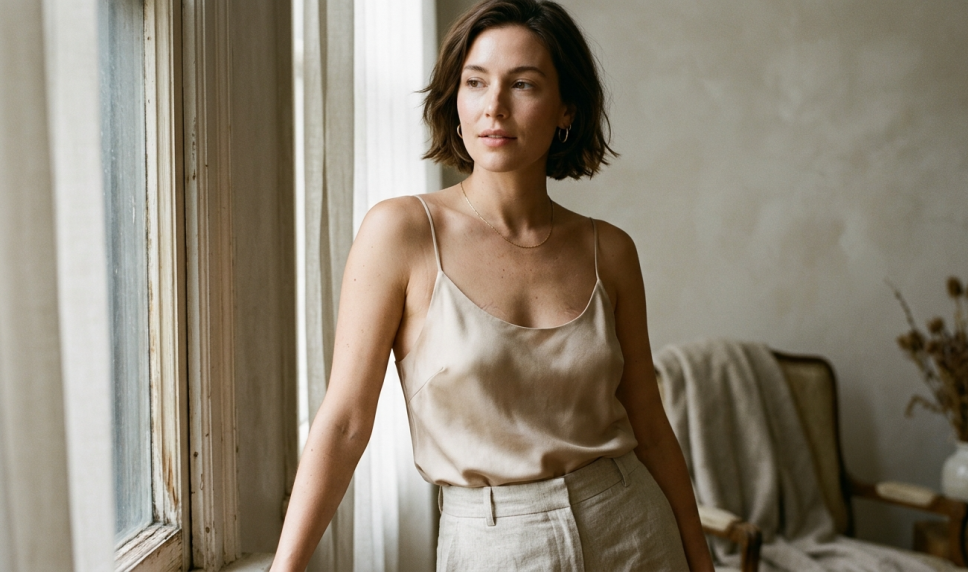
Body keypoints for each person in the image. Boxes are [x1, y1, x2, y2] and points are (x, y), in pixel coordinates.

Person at [271, 0, 714, 570]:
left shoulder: (611, 250)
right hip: (493, 543)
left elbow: (650, 425)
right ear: (454, 102)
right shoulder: (401, 233)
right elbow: (345, 422)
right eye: (475, 82)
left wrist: (700, 560)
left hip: (632, 529)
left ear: (566, 111)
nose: (494, 107)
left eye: (523, 84)